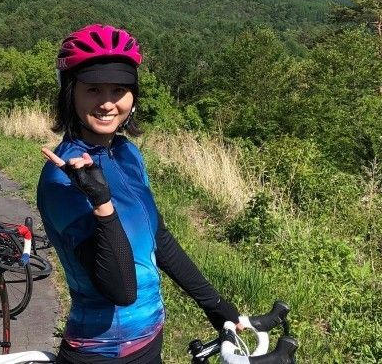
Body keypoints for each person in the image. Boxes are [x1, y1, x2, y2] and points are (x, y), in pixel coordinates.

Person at [37, 24, 242, 364]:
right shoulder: (62, 180)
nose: (107, 103)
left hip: (150, 341)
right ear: (70, 93)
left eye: (119, 89)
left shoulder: (128, 154)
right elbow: (120, 289)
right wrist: (101, 201)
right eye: (93, 90)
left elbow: (157, 236)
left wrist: (215, 305)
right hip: (101, 352)